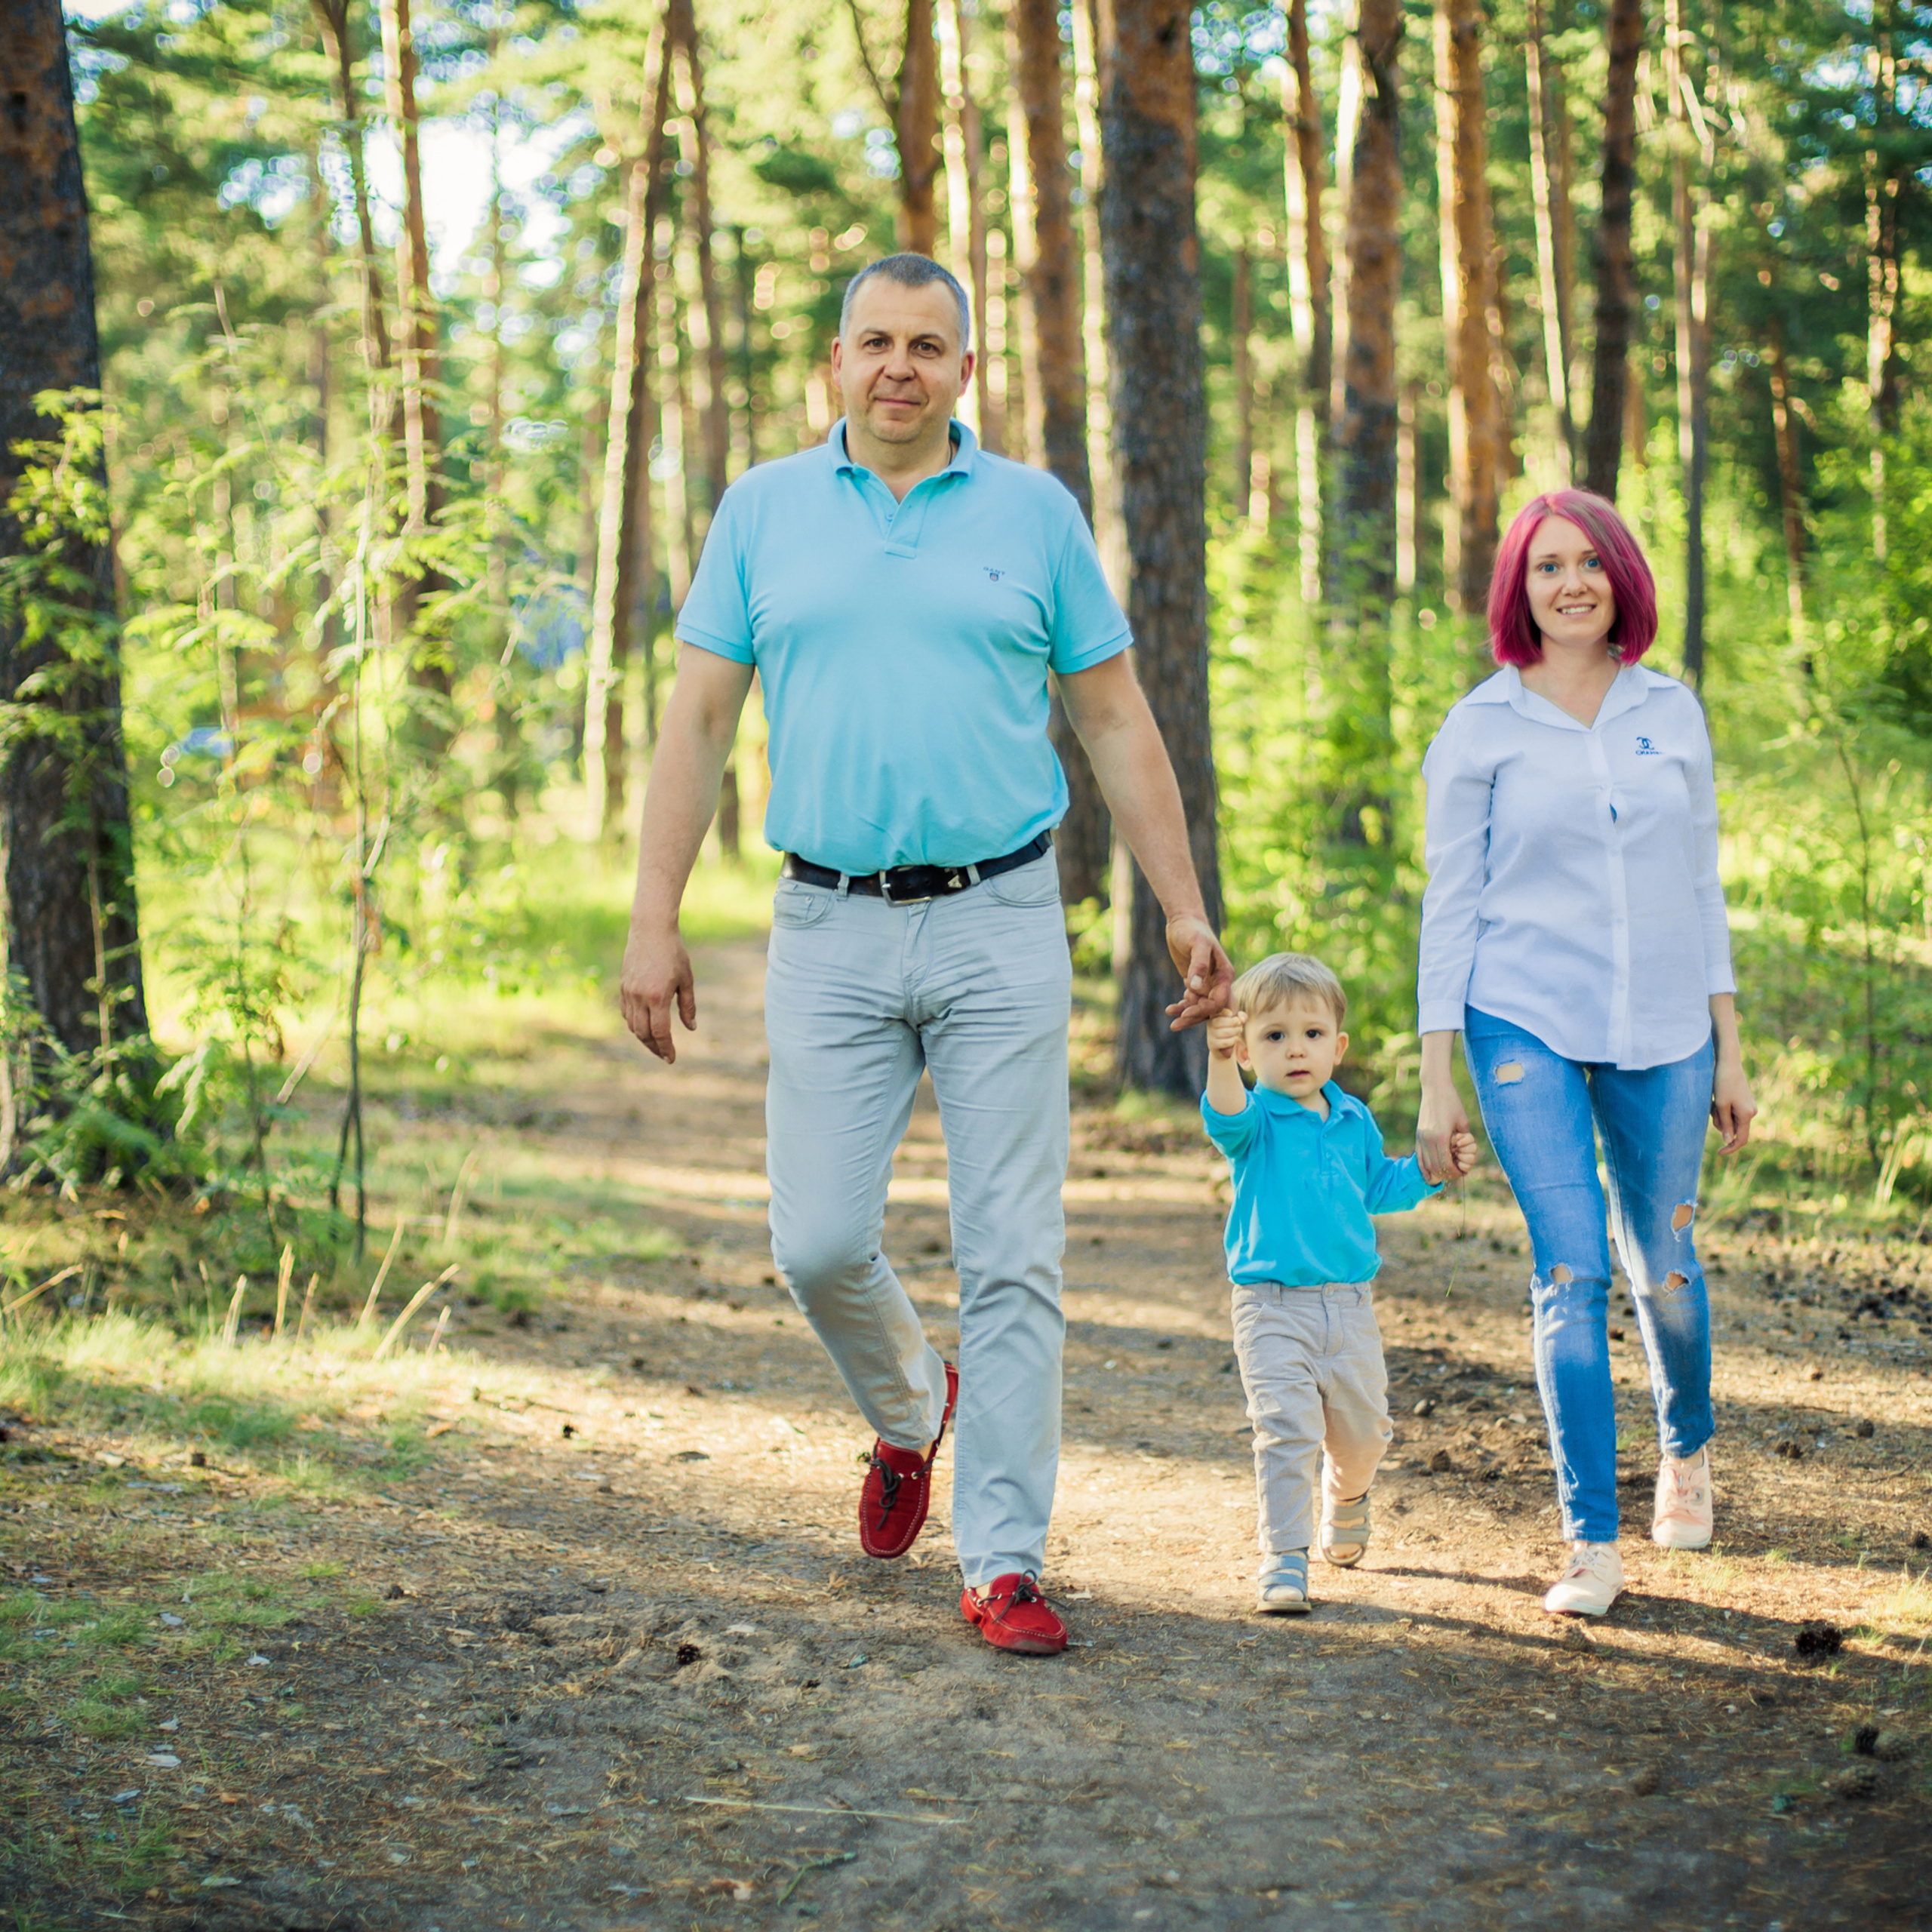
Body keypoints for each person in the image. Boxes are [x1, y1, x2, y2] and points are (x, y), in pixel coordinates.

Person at [617, 253, 1232, 1658]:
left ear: (967, 369)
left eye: (930, 346)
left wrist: (1182, 903)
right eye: (876, 342)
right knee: (818, 1240)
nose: (901, 366)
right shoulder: (762, 512)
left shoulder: (1034, 512)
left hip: (1001, 917)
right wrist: (655, 916)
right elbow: (700, 722)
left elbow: (1119, 719)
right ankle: (911, 1409)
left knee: (1015, 1253)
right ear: (834, 364)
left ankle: (1003, 1560)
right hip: (826, 923)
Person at [1414, 488, 1757, 1620]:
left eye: (1590, 563)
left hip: (1665, 1025)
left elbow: (1701, 888)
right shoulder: (1482, 727)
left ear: (1622, 579)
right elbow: (1449, 908)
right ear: (1519, 588)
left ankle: (1688, 1448)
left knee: (1660, 1260)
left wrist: (1731, 1048)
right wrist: (1436, 1074)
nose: (1571, 583)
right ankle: (1590, 1542)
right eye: (1548, 565)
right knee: (1570, 1269)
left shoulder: (1673, 710)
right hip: (1527, 1019)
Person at [1202, 952, 1475, 1615]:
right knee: (1285, 1428)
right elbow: (1224, 1113)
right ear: (1247, 1048)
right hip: (1270, 1307)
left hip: (1349, 1309)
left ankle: (1347, 1493)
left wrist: (1433, 1170)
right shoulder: (1256, 1120)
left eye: (1312, 1034)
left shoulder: (1352, 1119)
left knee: (1364, 1434)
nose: (1295, 1049)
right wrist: (1217, 1060)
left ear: (1338, 1045)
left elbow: (1381, 1186)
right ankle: (1284, 1559)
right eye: (1274, 1036)